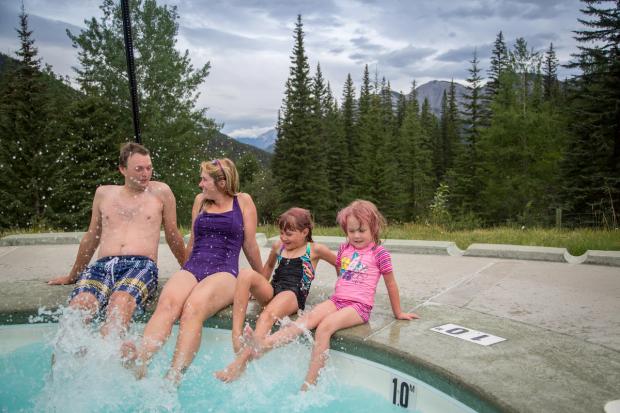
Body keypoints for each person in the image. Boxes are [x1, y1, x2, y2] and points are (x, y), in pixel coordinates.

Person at [238, 200, 419, 390]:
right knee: (307, 319)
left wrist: (398, 312)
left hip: (359, 306)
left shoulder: (379, 253)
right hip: (338, 300)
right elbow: (342, 272)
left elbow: (391, 283)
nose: (356, 236)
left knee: (324, 327)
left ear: (373, 228)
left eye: (361, 230)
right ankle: (264, 344)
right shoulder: (344, 249)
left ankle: (310, 383)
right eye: (351, 231)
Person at [121, 158, 263, 384]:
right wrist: (183, 274)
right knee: (168, 303)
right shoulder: (200, 201)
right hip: (193, 265)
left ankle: (173, 375)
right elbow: (193, 242)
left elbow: (250, 245)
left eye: (205, 180)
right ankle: (141, 360)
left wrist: (261, 280)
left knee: (193, 308)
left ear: (222, 183)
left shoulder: (243, 201)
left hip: (224, 270)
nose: (200, 184)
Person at [48, 142, 186, 338]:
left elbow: (173, 235)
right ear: (122, 169)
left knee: (119, 303)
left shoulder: (161, 192)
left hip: (141, 265)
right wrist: (73, 275)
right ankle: (65, 366)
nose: (145, 173)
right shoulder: (104, 193)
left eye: (148, 168)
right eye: (138, 169)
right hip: (102, 266)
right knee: (78, 309)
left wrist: (189, 270)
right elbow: (91, 237)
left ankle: (114, 362)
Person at [215, 207, 336, 382]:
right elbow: (269, 268)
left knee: (266, 316)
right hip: (274, 289)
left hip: (292, 294)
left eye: (289, 234)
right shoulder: (279, 246)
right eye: (281, 233)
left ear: (304, 232)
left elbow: (338, 263)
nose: (284, 238)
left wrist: (342, 285)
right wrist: (257, 288)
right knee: (245, 274)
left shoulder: (315, 249)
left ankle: (239, 364)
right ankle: (236, 334)